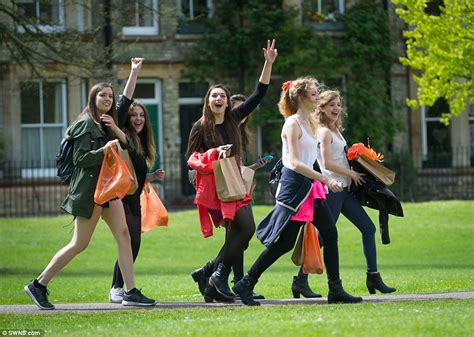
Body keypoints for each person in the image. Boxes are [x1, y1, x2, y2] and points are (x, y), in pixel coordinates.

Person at [24, 62, 155, 310]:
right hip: (90, 192)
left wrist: (135, 71)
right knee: (79, 244)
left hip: (108, 191)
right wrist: (104, 149)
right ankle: (38, 285)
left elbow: (126, 97)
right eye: (102, 95)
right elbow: (80, 159)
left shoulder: (107, 121)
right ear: (93, 98)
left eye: (109, 95)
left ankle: (130, 291)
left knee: (124, 236)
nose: (107, 98)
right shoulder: (85, 124)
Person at [232, 77, 363, 306]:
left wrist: (320, 181)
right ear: (301, 97)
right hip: (296, 190)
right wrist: (325, 178)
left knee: (330, 234)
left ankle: (335, 289)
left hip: (311, 189)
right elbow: (294, 161)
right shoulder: (292, 123)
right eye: (313, 94)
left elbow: (311, 159)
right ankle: (246, 282)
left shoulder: (312, 122)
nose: (317, 97)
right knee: (284, 243)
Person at [186, 39, 277, 303]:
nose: (218, 98)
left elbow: (259, 93)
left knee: (244, 231)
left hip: (234, 182)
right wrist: (215, 154)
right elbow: (190, 158)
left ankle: (210, 274)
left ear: (227, 103)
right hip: (215, 186)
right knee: (244, 229)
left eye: (222, 96)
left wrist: (268, 63)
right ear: (208, 100)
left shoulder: (234, 118)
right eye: (214, 95)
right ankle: (215, 275)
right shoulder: (200, 127)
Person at [314, 90, 396, 294]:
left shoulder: (336, 131)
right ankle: (300, 279)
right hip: (333, 190)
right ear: (322, 108)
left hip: (345, 191)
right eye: (331, 104)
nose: (336, 108)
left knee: (368, 229)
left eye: (338, 104)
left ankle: (373, 277)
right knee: (322, 237)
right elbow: (327, 163)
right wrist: (351, 173)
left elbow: (342, 157)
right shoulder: (323, 132)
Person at [101, 58, 166, 304]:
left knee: (134, 242)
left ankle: (119, 286)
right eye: (134, 115)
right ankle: (118, 288)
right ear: (127, 119)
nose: (138, 118)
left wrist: (149, 177)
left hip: (135, 198)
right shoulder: (122, 135)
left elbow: (133, 172)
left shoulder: (141, 142)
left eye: (141, 115)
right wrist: (135, 72)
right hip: (120, 198)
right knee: (128, 239)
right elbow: (124, 100)